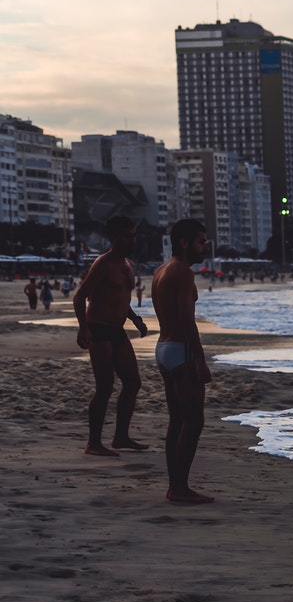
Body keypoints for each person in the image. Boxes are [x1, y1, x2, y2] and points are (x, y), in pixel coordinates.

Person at [73, 216, 148, 456]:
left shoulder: (128, 264)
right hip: (98, 329)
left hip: (117, 330)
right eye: (127, 235)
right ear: (114, 238)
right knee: (105, 386)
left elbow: (121, 299)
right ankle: (93, 443)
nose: (132, 239)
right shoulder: (102, 264)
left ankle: (121, 437)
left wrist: (135, 318)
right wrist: (83, 327)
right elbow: (79, 297)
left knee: (133, 382)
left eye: (133, 235)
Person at [151, 219, 214, 504]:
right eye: (201, 241)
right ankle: (179, 487)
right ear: (184, 242)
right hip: (181, 350)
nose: (205, 246)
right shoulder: (182, 273)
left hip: (164, 348)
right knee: (194, 420)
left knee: (177, 419)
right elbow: (187, 320)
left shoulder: (161, 270)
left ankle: (175, 484)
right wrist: (199, 360)